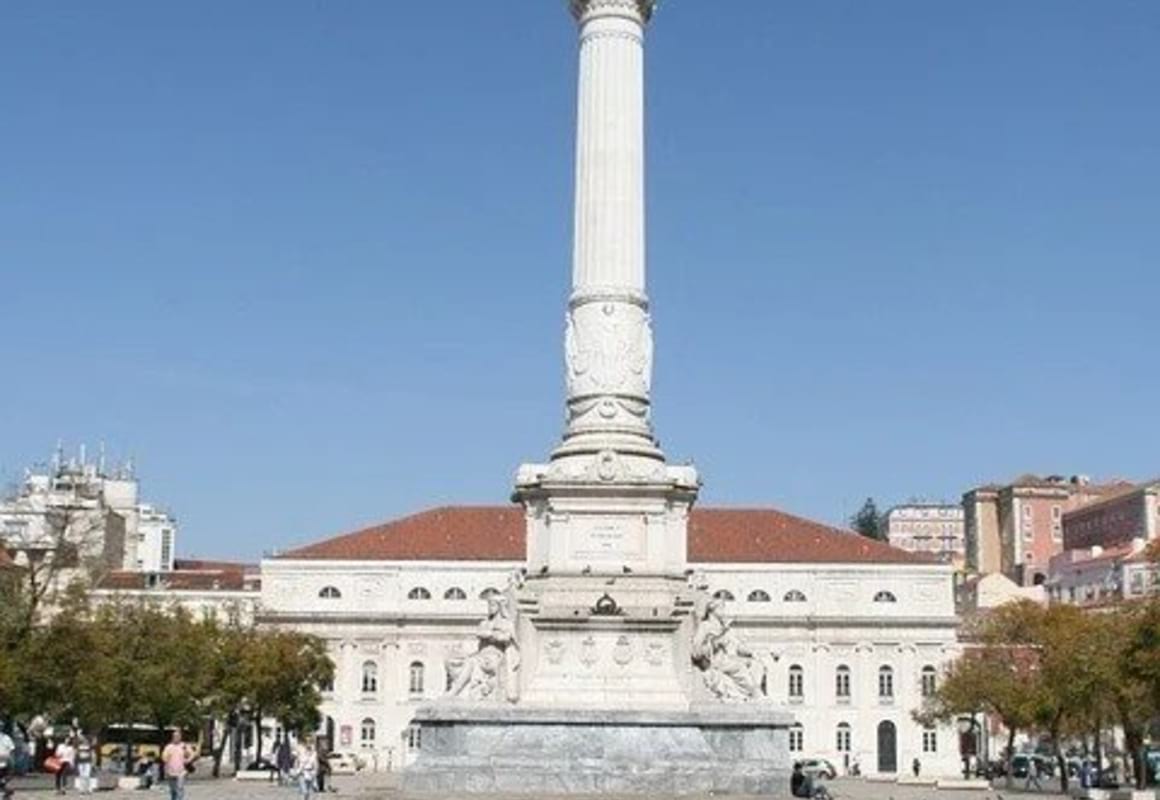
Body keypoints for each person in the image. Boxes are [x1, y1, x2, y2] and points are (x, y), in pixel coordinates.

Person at [160, 731, 190, 800]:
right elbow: (164, 757)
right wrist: (166, 758)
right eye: (175, 736)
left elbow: (190, 754)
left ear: (180, 737)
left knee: (180, 788)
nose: (176, 738)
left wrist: (188, 759)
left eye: (178, 736)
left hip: (181, 771)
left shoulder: (184, 746)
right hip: (170, 771)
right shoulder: (168, 747)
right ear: (172, 737)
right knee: (173, 790)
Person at [0, 727, 15, 800]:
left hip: (5, 763)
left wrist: (12, 762)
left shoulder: (6, 738)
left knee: (5, 780)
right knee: (3, 782)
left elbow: (11, 750)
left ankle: (7, 793)